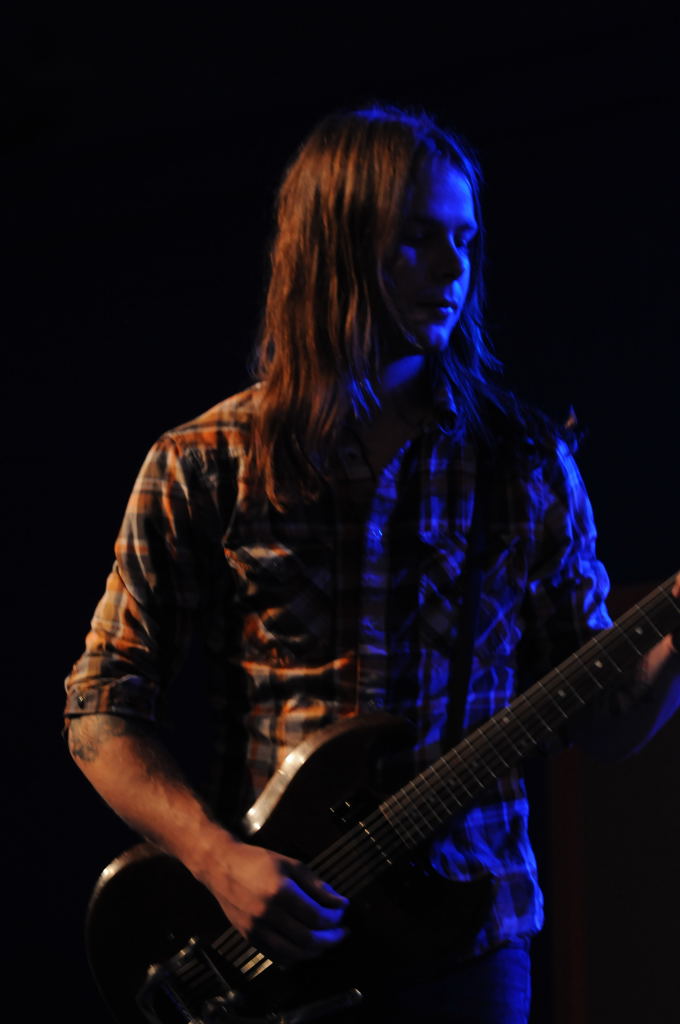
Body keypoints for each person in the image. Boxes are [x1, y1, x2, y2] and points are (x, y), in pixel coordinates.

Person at [64, 104, 680, 1023]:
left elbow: (608, 722)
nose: (453, 269)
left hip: (468, 945)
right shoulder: (203, 462)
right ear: (335, 248)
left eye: (465, 240)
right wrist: (215, 859)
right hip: (265, 948)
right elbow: (100, 706)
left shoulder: (525, 463)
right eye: (418, 240)